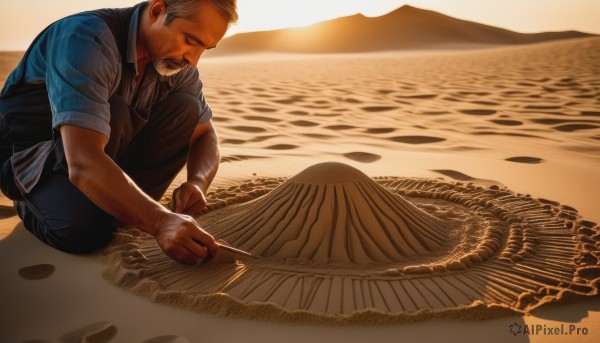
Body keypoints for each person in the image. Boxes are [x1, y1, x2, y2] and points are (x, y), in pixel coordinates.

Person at [0, 0, 238, 264]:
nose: (193, 60)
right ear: (158, 11)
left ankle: (117, 207)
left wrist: (198, 182)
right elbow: (83, 161)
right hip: (33, 162)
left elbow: (206, 133)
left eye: (204, 48)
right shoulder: (86, 39)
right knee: (83, 232)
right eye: (190, 40)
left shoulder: (173, 62)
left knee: (186, 108)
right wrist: (160, 222)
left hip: (102, 152)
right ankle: (37, 204)